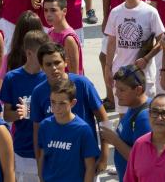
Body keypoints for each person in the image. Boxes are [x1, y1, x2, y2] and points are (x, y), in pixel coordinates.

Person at [30, 43, 109, 173]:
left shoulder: (82, 84)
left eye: (57, 62)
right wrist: (40, 163)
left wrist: (104, 156)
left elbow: (103, 118)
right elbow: (37, 132)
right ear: (42, 67)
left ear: (65, 62)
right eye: (48, 64)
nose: (54, 68)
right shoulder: (38, 92)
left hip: (85, 162)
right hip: (56, 165)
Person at [104, 0, 165, 100]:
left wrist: (146, 58)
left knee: (145, 117)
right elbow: (112, 42)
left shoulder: (150, 12)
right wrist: (108, 68)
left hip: (144, 76)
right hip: (121, 76)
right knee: (123, 118)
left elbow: (163, 39)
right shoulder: (115, 12)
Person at [0, 29, 48, 182]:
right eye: (41, 53)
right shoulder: (12, 78)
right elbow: (6, 115)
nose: (45, 57)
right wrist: (19, 113)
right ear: (29, 53)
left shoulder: (50, 77)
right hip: (23, 152)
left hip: (48, 150)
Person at [36, 79, 100, 182]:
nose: (56, 108)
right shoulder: (45, 126)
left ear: (73, 103)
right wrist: (41, 177)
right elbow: (42, 156)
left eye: (62, 103)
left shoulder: (83, 130)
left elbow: (90, 167)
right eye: (53, 102)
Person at [98, 65, 150, 181]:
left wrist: (114, 140)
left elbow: (142, 161)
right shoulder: (132, 106)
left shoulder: (144, 118)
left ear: (138, 90)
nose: (116, 94)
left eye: (122, 90)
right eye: (116, 89)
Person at [43, 0, 83, 75]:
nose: (48, 14)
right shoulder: (50, 32)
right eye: (45, 10)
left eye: (53, 10)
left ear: (64, 11)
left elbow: (74, 74)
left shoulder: (69, 38)